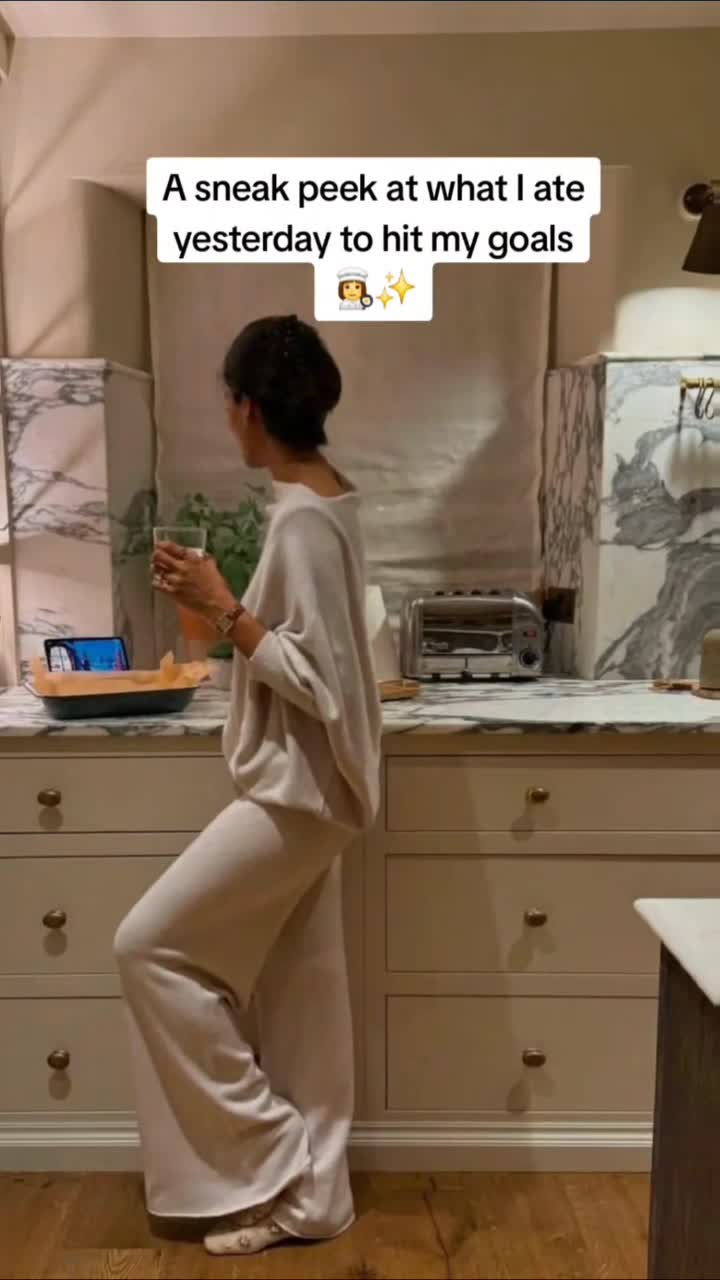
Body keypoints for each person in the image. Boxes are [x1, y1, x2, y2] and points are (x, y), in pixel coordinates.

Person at [114, 314, 382, 1257]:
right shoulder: (326, 496)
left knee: (148, 947)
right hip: (317, 790)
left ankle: (275, 1159)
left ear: (249, 409)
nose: (228, 418)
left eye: (229, 402)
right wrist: (223, 603)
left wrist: (221, 607)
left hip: (297, 793)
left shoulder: (303, 519)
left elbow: (318, 679)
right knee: (306, 997)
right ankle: (317, 1198)